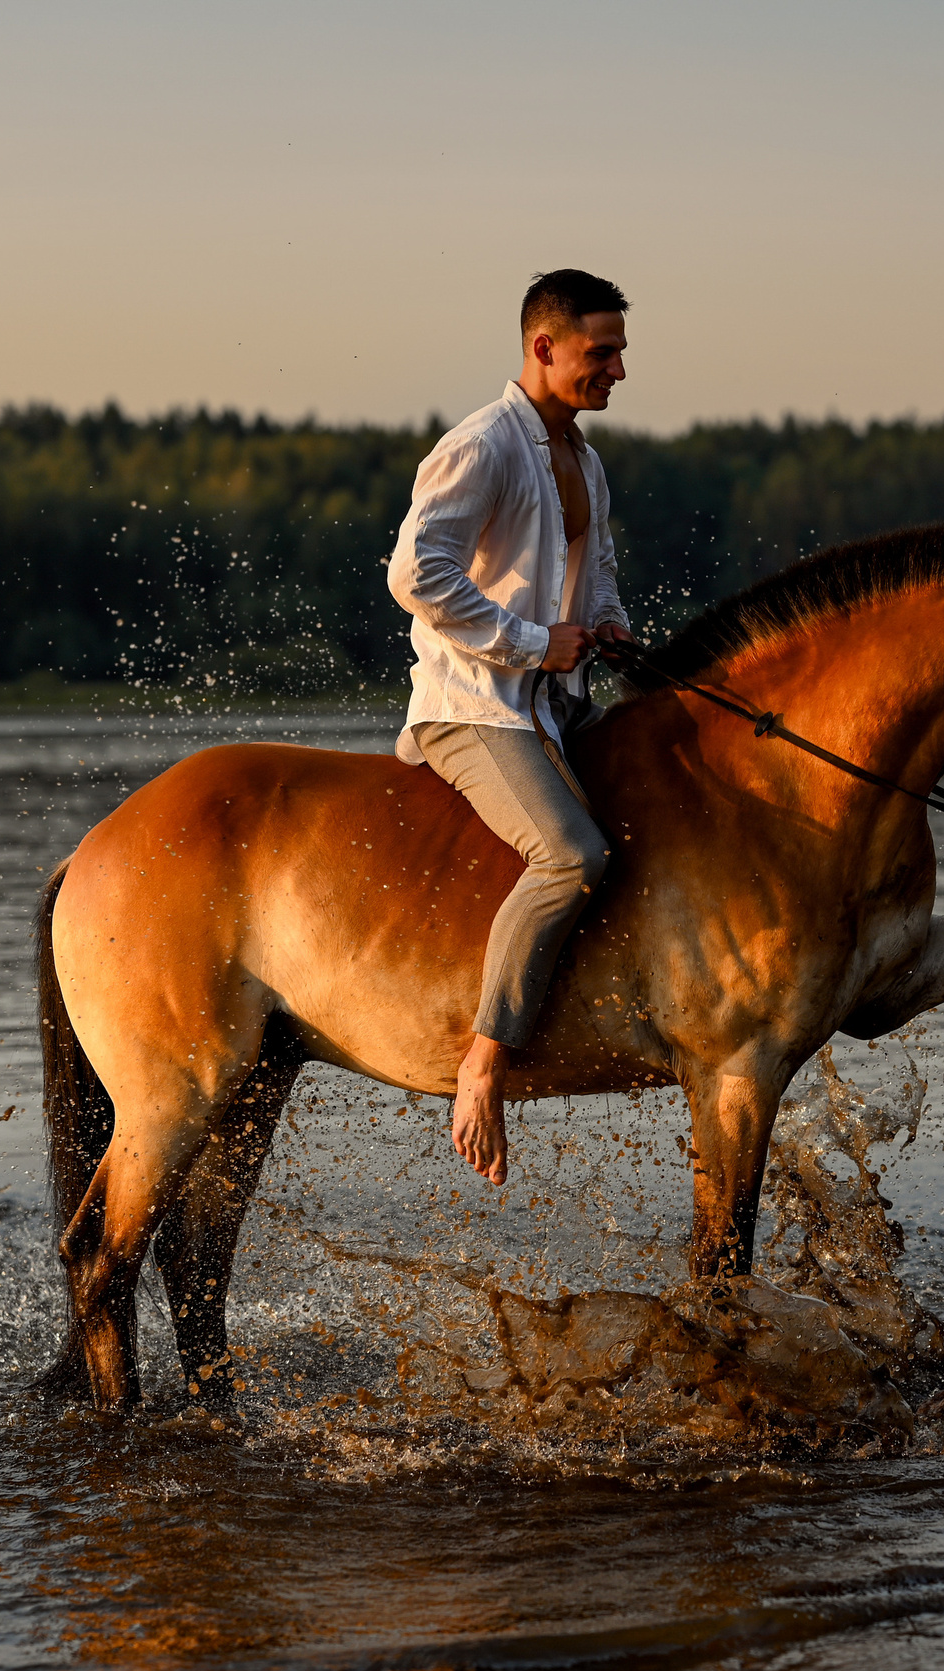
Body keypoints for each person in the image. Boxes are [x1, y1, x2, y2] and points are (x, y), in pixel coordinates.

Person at [387, 268, 634, 1185]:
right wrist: (535, 642)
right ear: (543, 347)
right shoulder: (484, 445)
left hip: (551, 706)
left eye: (618, 353)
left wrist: (605, 626)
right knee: (577, 858)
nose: (615, 371)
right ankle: (483, 1065)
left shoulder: (585, 458)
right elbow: (415, 577)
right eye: (599, 353)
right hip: (473, 708)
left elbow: (593, 572)